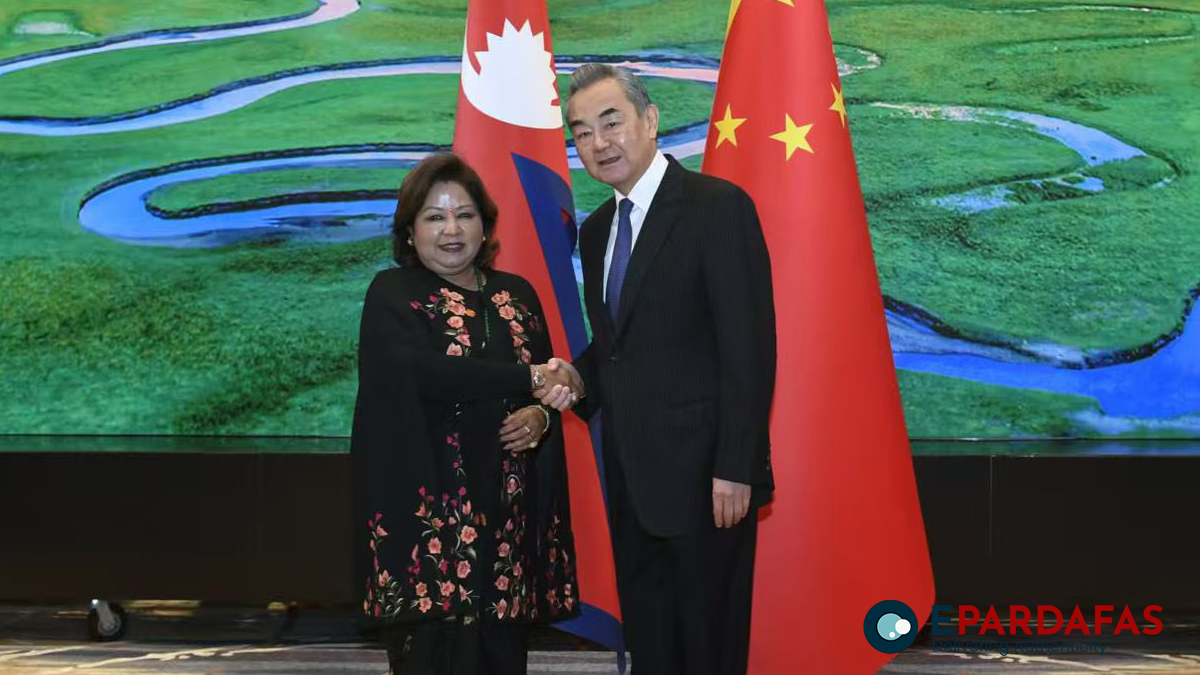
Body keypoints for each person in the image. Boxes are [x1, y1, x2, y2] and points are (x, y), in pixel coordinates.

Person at [539, 64, 777, 674]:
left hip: (708, 485)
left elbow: (748, 347)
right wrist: (576, 376)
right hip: (631, 480)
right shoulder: (595, 233)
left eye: (611, 122)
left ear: (649, 120)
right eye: (583, 133)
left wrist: (736, 466)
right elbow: (618, 347)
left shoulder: (716, 207)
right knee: (653, 649)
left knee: (707, 649)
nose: (599, 143)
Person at [350, 153, 583, 675]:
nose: (452, 229)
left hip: (508, 529)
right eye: (435, 217)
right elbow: (423, 374)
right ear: (410, 232)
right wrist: (529, 378)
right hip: (427, 531)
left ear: (485, 224)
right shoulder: (392, 293)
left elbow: (544, 388)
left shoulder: (517, 295)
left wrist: (540, 418)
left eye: (465, 214)